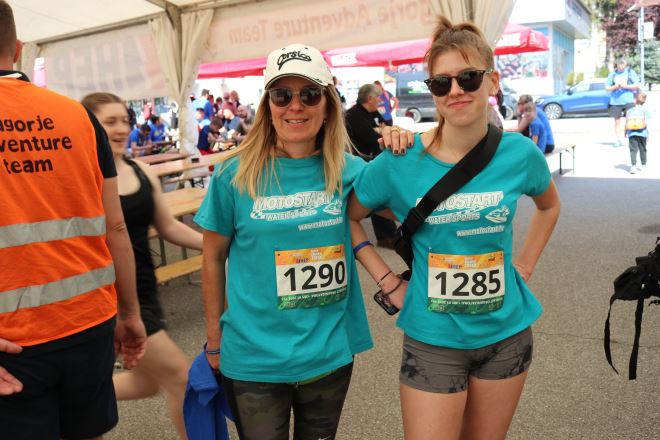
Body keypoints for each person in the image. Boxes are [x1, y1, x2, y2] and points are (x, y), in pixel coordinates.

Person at [348, 16, 560, 440]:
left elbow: (549, 205)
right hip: (433, 339)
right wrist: (387, 280)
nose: (456, 91)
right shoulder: (399, 160)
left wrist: (524, 266)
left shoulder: (519, 154)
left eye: (468, 77)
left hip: (506, 335)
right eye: (441, 83)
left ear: (492, 81)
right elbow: (350, 216)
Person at [194, 43, 375, 440]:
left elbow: (410, 199)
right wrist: (214, 340)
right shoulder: (233, 174)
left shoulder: (351, 171)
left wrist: (405, 144)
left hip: (328, 351)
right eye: (282, 95)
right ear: (268, 105)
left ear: (327, 104)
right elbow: (212, 258)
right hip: (254, 356)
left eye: (309, 94)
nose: (296, 106)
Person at [0, 2, 147, 439]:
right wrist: (130, 313)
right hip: (88, 324)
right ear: (19, 49)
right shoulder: (77, 116)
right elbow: (115, 226)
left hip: (13, 340)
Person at [81, 92, 202, 439]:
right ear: (89, 128)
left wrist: (217, 247)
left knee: (147, 382)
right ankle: (70, 397)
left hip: (145, 291)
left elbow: (169, 227)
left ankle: (70, 396)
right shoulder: (84, 178)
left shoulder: (141, 171)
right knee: (180, 378)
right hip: (113, 297)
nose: (121, 128)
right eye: (110, 122)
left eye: (125, 120)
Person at [345, 83, 398, 249]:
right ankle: (387, 236)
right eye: (378, 98)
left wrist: (380, 130)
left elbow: (387, 126)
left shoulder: (372, 112)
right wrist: (379, 131)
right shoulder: (353, 115)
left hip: (376, 158)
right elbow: (370, 137)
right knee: (379, 194)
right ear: (369, 98)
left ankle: (388, 234)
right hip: (362, 162)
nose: (380, 101)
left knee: (384, 192)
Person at [606, 57, 641, 147]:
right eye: (620, 65)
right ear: (617, 64)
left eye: (623, 65)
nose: (622, 67)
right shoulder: (613, 74)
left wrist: (626, 86)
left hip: (628, 101)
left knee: (630, 121)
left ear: (625, 64)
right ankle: (618, 140)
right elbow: (607, 88)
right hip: (615, 102)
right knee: (617, 122)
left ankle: (631, 140)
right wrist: (615, 87)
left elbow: (637, 85)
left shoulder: (630, 72)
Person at [625, 91, 651, 174]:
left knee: (633, 150)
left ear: (635, 100)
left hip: (632, 133)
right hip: (642, 133)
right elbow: (646, 123)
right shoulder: (645, 111)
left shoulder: (629, 111)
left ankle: (633, 166)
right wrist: (648, 134)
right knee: (643, 149)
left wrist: (625, 132)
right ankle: (643, 165)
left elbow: (626, 122)